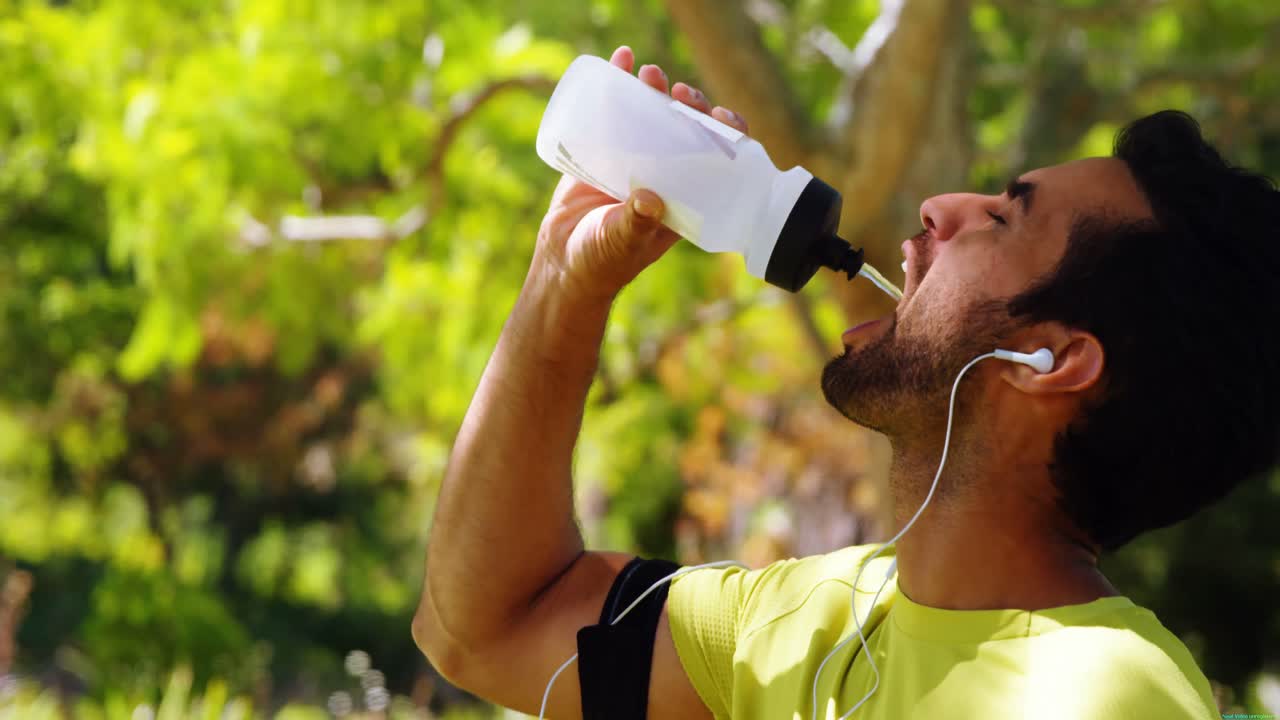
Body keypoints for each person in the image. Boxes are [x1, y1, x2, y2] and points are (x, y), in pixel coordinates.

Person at [411, 44, 1280, 719]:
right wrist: (566, 283)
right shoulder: (808, 621)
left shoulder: (1105, 692)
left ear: (1054, 360)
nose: (941, 207)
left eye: (1006, 216)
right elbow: (482, 628)